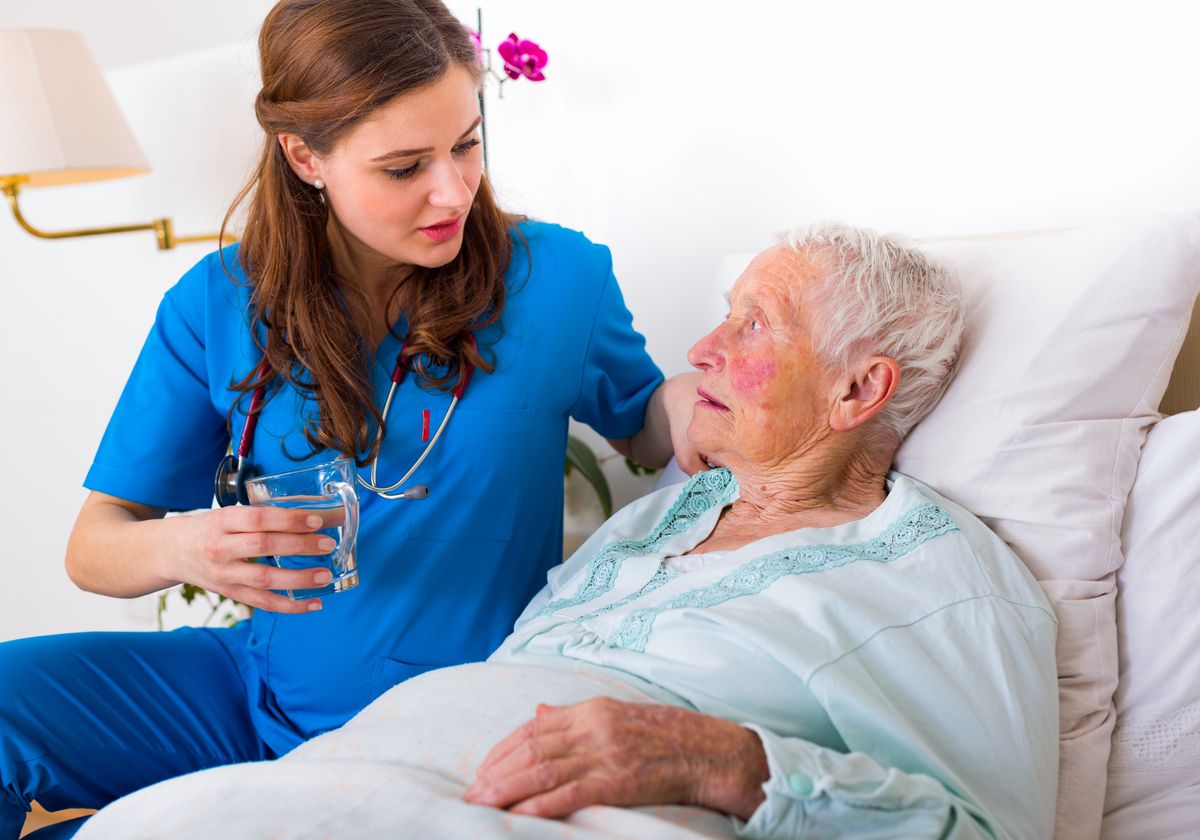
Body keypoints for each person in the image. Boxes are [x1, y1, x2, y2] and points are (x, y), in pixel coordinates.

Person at [75, 223, 1060, 840]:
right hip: (363, 773)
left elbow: (985, 829)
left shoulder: (943, 579)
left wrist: (720, 760)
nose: (703, 348)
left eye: (753, 326)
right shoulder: (658, 524)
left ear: (860, 388)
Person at [0, 1, 699, 837]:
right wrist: (182, 547)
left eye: (467, 144)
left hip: (432, 724)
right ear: (306, 158)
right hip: (249, 683)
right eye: (405, 167)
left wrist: (717, 393)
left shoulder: (556, 279)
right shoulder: (220, 301)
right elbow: (95, 544)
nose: (454, 189)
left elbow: (645, 426)